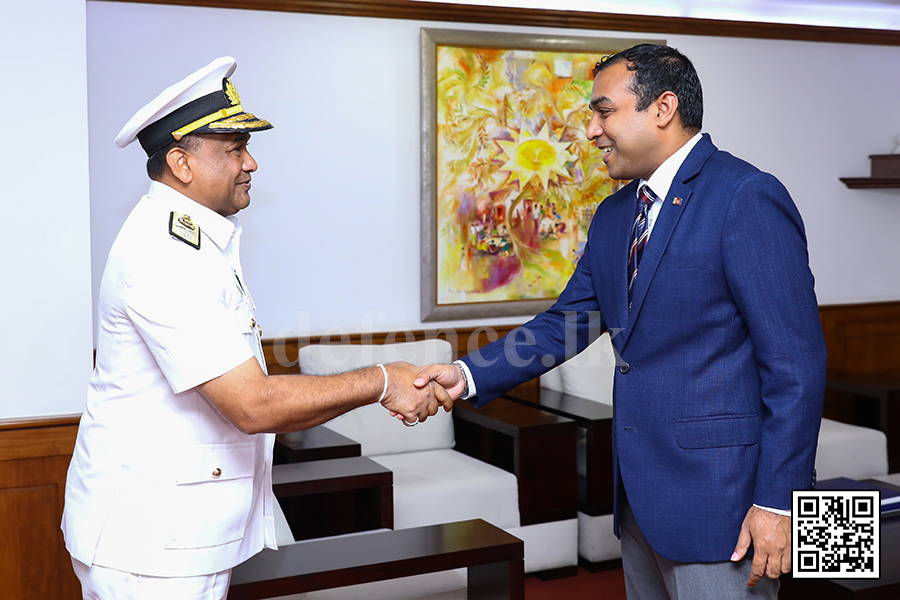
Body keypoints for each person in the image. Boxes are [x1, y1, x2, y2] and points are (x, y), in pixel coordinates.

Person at [415, 44, 826, 599]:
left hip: (725, 506)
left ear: (662, 108)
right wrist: (464, 375)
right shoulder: (615, 214)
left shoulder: (745, 197)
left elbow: (796, 367)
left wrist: (780, 503)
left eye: (603, 111)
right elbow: (568, 323)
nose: (591, 130)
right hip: (637, 498)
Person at [63, 57, 450, 599]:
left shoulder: (195, 240)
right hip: (150, 546)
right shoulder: (165, 254)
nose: (252, 164)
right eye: (234, 149)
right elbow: (254, 405)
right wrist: (384, 380)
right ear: (181, 162)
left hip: (177, 532)